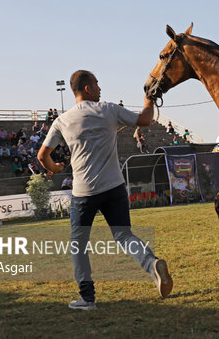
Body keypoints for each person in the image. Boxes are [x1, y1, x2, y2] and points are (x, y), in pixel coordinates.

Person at [37, 70, 173, 311]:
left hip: (83, 193)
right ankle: (151, 264)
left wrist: (55, 168)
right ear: (87, 88)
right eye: (97, 84)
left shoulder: (62, 120)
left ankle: (87, 299)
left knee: (78, 244)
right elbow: (146, 120)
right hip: (114, 187)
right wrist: (149, 99)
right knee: (123, 235)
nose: (100, 88)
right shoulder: (109, 110)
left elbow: (42, 155)